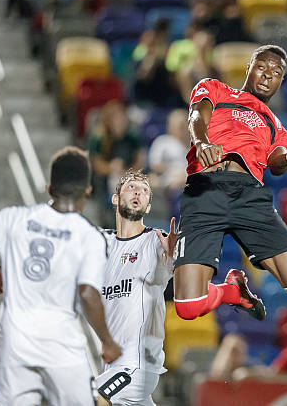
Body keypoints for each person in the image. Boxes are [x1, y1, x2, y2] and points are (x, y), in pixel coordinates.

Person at [0, 147, 121, 405]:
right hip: (62, 346)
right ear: (88, 190)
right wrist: (107, 341)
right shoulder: (89, 236)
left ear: (49, 188)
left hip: (14, 345)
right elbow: (88, 293)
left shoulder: (14, 218)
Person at [172, 45, 287, 322]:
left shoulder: (276, 125)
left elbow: (277, 162)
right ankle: (231, 292)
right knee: (188, 308)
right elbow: (196, 115)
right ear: (249, 68)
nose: (267, 75)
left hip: (250, 197)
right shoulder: (215, 88)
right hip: (206, 190)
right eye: (262, 67)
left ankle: (236, 287)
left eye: (276, 72)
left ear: (281, 81)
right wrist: (202, 143)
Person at [95, 171, 174, 405]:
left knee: (90, 397)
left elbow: (180, 268)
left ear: (148, 207)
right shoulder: (100, 243)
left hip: (137, 365)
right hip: (112, 366)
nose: (138, 192)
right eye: (131, 187)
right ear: (115, 198)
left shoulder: (157, 242)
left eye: (145, 190)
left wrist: (176, 257)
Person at [89, 101, 145, 223]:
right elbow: (96, 164)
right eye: (117, 119)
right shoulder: (99, 139)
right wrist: (111, 168)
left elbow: (139, 161)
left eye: (123, 118)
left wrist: (127, 173)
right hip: (105, 180)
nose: (121, 122)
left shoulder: (132, 138)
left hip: (128, 176)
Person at [133, 19, 187, 109]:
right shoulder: (139, 54)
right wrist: (152, 57)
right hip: (143, 103)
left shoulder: (167, 53)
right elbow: (144, 76)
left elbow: (173, 81)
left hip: (165, 101)